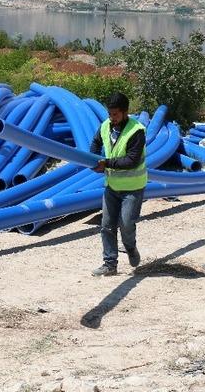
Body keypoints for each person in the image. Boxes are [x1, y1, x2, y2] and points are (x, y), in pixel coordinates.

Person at [89, 92, 147, 276]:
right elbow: (95, 142)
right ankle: (109, 264)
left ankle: (130, 247)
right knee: (106, 225)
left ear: (125, 112)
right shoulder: (105, 126)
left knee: (126, 224)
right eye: (109, 114)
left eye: (115, 114)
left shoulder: (136, 131)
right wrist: (93, 160)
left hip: (133, 188)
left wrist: (105, 163)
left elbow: (132, 161)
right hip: (112, 186)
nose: (112, 118)